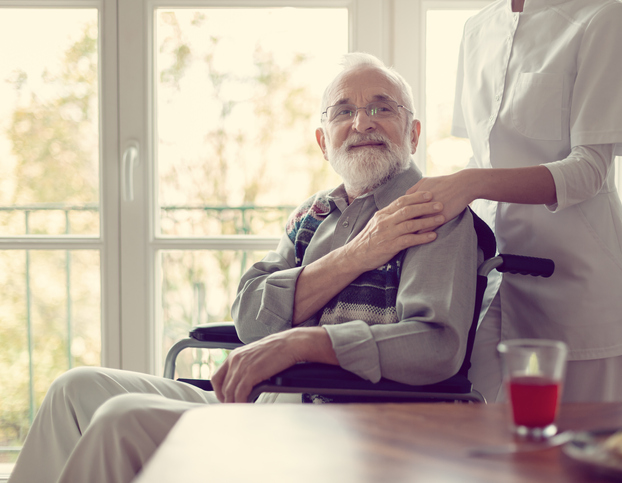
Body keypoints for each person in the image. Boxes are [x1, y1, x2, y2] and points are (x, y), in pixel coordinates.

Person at [8, 53, 479, 483]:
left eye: (382, 108)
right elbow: (252, 318)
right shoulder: (313, 214)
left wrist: (302, 343)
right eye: (343, 112)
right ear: (323, 141)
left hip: (339, 419)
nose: (361, 123)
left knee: (121, 419)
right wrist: (359, 254)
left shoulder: (433, 210)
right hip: (264, 400)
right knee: (75, 389)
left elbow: (436, 346)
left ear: (413, 133)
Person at [407, 0, 622, 403]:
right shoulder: (476, 27)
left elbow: (589, 169)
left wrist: (469, 183)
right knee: (484, 450)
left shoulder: (605, 17)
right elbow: (482, 158)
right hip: (491, 283)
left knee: (571, 457)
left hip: (577, 290)